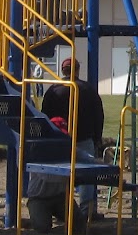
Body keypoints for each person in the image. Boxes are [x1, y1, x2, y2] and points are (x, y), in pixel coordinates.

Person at [41, 58, 107, 218]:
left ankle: (62, 209)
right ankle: (87, 212)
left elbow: (45, 115)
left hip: (60, 140)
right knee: (88, 175)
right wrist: (97, 138)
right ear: (77, 70)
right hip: (84, 137)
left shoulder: (53, 90)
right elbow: (98, 115)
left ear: (62, 71)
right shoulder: (88, 89)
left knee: (59, 175)